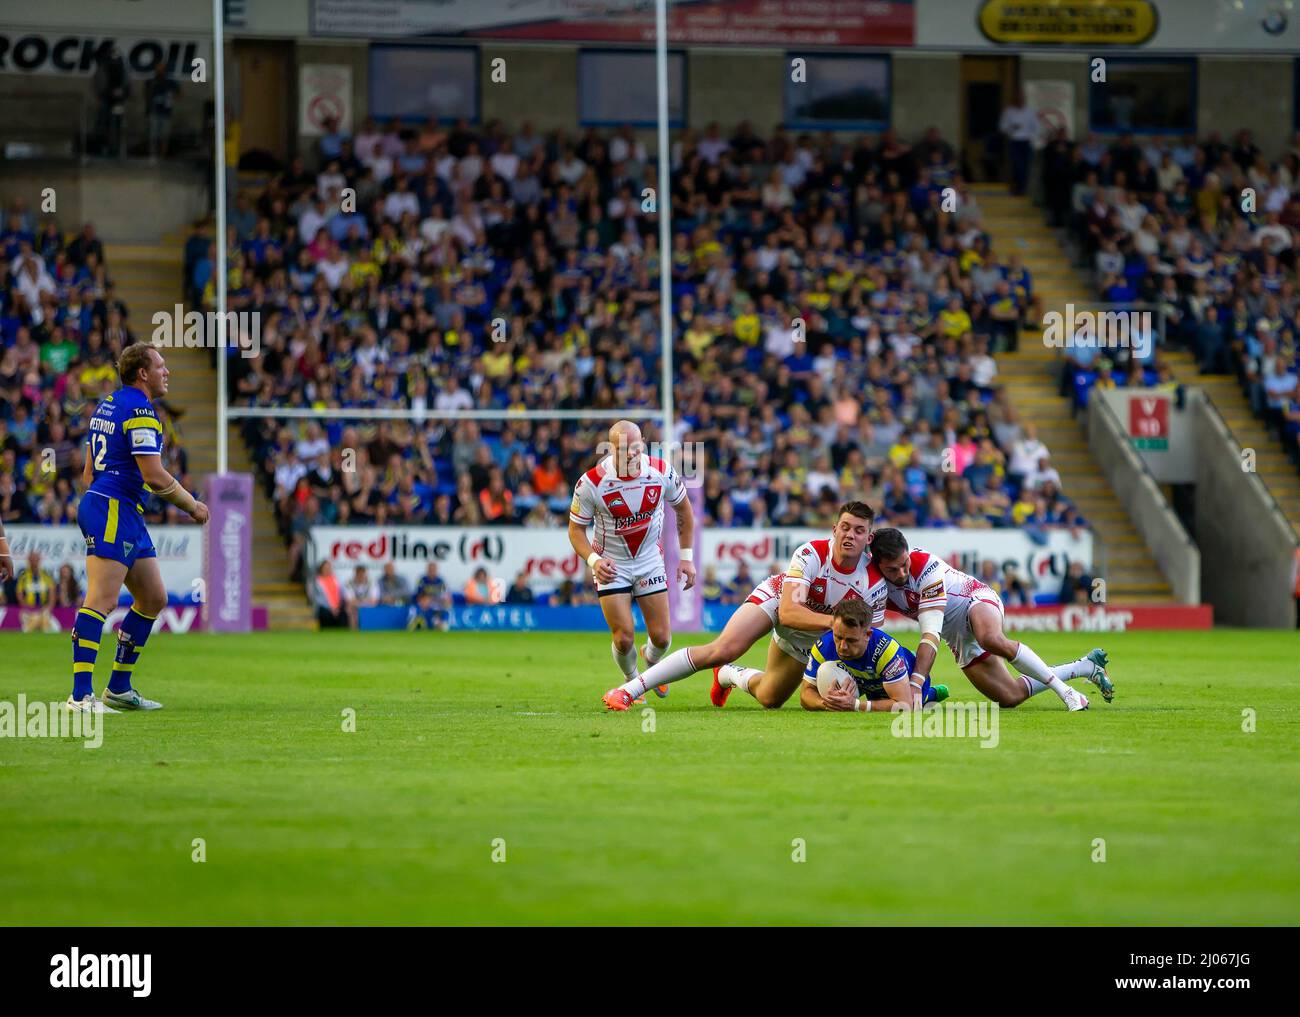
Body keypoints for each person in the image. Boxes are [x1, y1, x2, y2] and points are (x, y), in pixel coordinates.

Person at [609, 501, 885, 711]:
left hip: (815, 636)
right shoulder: (811, 553)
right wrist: (835, 625)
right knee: (723, 649)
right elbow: (789, 612)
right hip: (779, 602)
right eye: (845, 527)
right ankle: (629, 690)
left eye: (859, 531)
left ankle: (729, 674)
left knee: (770, 698)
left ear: (868, 538)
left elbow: (868, 639)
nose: (850, 535)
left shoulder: (873, 581)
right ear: (834, 529)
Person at [71, 345, 209, 713]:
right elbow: (154, 474)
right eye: (161, 366)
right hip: (114, 507)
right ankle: (80, 695)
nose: (168, 372)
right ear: (143, 373)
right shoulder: (140, 411)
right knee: (101, 598)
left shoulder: (107, 405)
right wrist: (192, 505)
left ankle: (118, 687)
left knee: (153, 598)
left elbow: (88, 473)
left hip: (117, 506)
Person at [869, 527, 1111, 710]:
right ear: (879, 566)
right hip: (956, 636)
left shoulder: (924, 566)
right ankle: (1085, 667)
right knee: (1009, 696)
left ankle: (1066, 692)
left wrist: (915, 685)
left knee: (990, 638)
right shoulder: (876, 587)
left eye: (904, 564)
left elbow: (930, 633)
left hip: (974, 599)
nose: (901, 573)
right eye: (893, 570)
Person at [568, 421, 696, 709]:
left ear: (643, 443)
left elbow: (684, 512)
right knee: (624, 637)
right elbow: (576, 531)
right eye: (624, 449)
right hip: (612, 565)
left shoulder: (661, 472)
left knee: (662, 638)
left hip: (650, 561)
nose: (632, 454)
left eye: (636, 447)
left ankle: (652, 658)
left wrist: (686, 558)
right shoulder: (591, 483)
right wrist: (594, 560)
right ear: (611, 449)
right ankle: (632, 681)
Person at [798, 599, 948, 713]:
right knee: (825, 670)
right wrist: (829, 703)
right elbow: (806, 693)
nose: (842, 646)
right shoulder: (824, 645)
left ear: (868, 635)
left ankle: (931, 693)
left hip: (899, 686)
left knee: (915, 704)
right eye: (838, 637)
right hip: (864, 683)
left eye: (851, 640)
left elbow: (904, 704)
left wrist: (855, 705)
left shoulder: (885, 650)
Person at [16, 550, 57, 633]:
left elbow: (52, 594)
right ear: (28, 561)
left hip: (43, 609)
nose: (34, 562)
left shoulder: (46, 575)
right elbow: (19, 594)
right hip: (28, 609)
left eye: (36, 559)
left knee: (51, 630)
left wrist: (48, 607)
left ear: (39, 560)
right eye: (32, 560)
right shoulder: (23, 576)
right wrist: (26, 607)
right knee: (27, 630)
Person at [145, 61, 178, 159]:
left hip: (166, 112)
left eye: (162, 69)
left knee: (164, 135)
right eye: (158, 69)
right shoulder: (151, 82)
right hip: (154, 111)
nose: (160, 71)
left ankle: (163, 155)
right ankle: (153, 154)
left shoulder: (170, 82)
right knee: (153, 135)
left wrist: (171, 97)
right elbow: (146, 95)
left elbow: (178, 94)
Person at [311, 561, 349, 628]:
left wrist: (338, 607)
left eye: (329, 568)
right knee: (324, 614)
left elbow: (342, 593)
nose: (327, 570)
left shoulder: (336, 579)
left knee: (344, 614)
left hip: (338, 608)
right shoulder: (316, 581)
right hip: (325, 608)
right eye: (325, 568)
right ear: (321, 569)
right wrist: (331, 608)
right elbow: (316, 598)